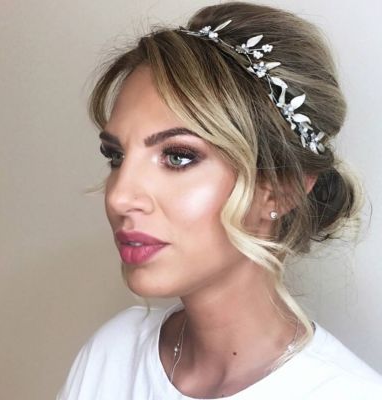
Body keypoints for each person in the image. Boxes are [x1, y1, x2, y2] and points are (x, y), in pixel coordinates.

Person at [57, 1, 382, 399]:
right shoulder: (113, 352)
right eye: (116, 156)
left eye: (178, 157)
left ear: (280, 188)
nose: (120, 197)